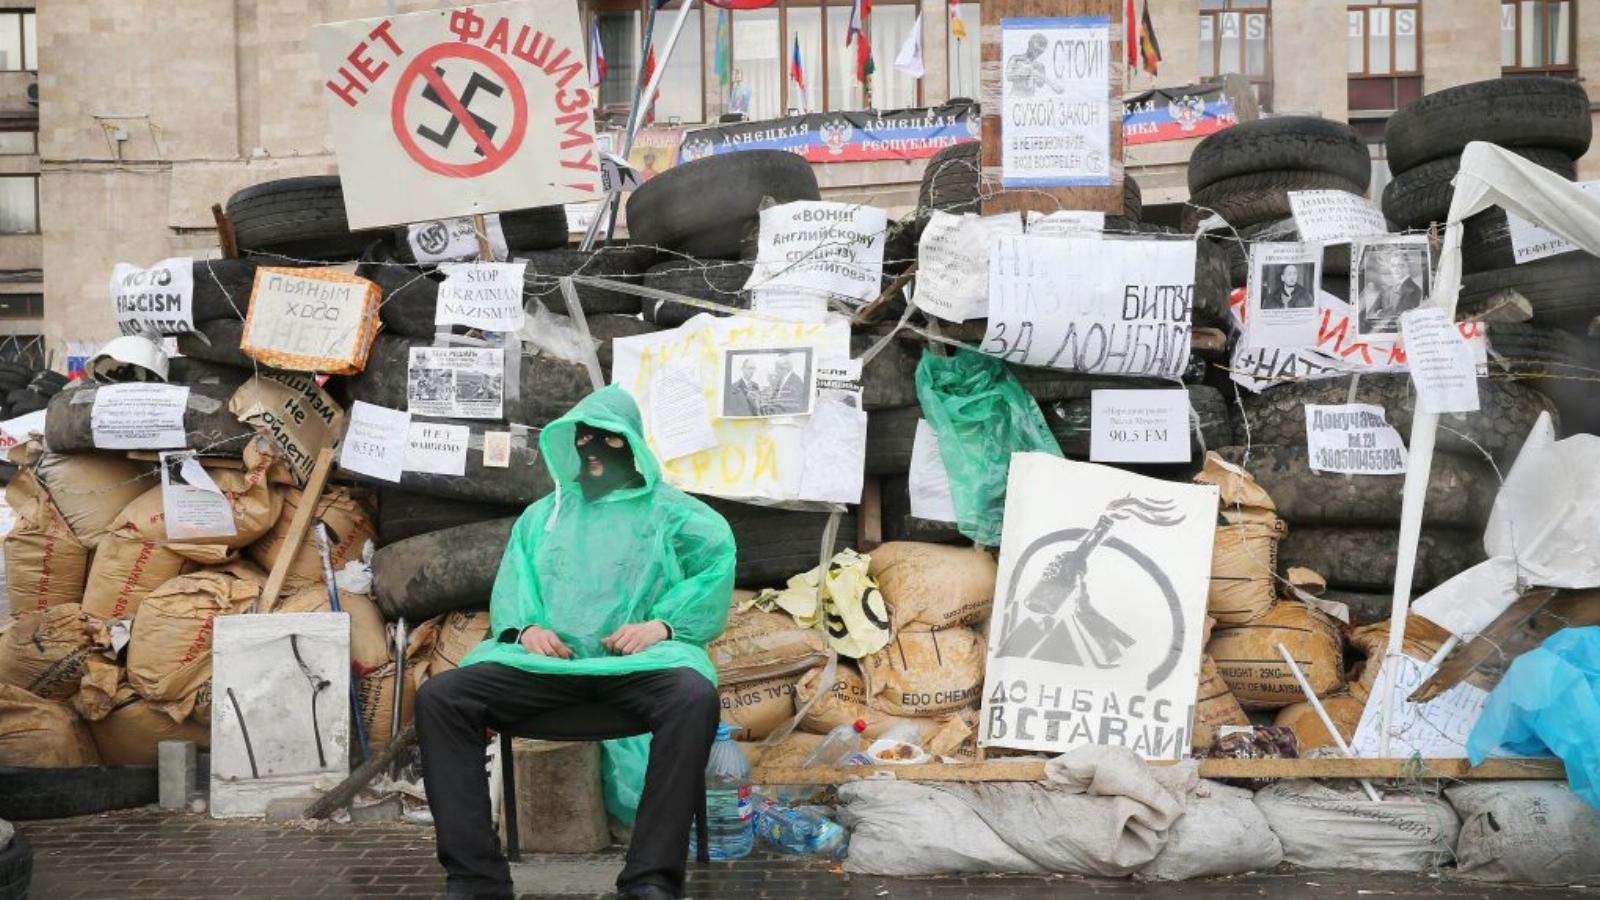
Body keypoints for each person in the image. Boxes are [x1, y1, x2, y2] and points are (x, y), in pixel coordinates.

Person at [415, 385, 737, 900]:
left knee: (693, 697)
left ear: (633, 445)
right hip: (546, 672)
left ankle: (650, 878)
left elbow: (714, 569)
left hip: (637, 668)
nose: (592, 452)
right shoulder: (544, 516)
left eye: (608, 441)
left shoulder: (675, 514)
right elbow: (515, 587)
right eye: (582, 439)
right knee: (442, 697)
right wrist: (526, 630)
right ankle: (476, 880)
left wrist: (662, 627)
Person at [1359, 248, 1425, 333]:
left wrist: (1380, 313)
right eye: (1393, 265)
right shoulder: (1389, 289)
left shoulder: (1414, 289)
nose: (1396, 269)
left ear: (1408, 267)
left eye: (1400, 265)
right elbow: (1371, 312)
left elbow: (1398, 314)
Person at [1005, 33, 1065, 98]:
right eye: (1035, 50)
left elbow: (1040, 84)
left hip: (1030, 99)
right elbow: (1008, 77)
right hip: (1015, 97)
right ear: (1029, 45)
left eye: (1040, 52)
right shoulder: (1016, 59)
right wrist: (1024, 72)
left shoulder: (1040, 66)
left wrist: (1042, 79)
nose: (1037, 54)